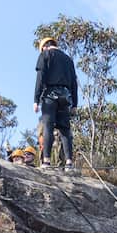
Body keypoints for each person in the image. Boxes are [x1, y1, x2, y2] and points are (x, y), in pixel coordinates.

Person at [32, 36, 77, 170]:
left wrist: (36, 100)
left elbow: (40, 78)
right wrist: (75, 103)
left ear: (44, 46)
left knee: (48, 127)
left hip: (50, 96)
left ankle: (46, 161)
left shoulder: (45, 55)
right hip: (65, 96)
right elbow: (74, 82)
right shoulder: (68, 59)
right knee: (65, 130)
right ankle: (69, 162)